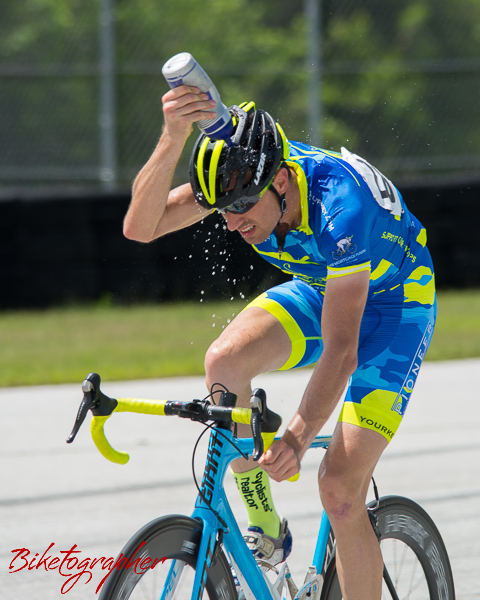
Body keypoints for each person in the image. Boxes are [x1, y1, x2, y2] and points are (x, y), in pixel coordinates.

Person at [124, 85, 437, 600]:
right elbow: (140, 227)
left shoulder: (341, 206)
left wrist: (294, 436)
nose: (233, 221)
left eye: (243, 206)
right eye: (221, 209)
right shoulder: (241, 176)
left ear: (284, 182)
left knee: (338, 490)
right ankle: (266, 525)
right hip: (326, 288)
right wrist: (174, 132)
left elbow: (342, 351)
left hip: (396, 307)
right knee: (225, 362)